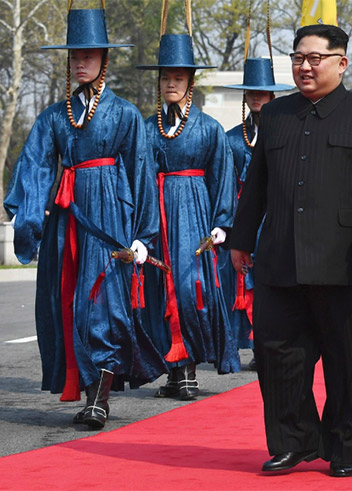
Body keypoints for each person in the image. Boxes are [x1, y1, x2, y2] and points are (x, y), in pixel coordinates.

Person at [227, 24, 352, 478]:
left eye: (315, 58)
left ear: (341, 63)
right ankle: (293, 441)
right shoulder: (276, 114)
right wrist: (241, 238)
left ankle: (343, 447)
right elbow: (256, 183)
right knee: (277, 354)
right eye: (298, 58)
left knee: (346, 360)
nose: (304, 66)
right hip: (280, 255)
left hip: (345, 258)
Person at [4, 8, 166, 429]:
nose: (81, 62)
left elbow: (141, 171)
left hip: (110, 217)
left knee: (104, 305)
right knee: (70, 304)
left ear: (104, 60)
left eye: (89, 55)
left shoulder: (125, 114)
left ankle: (99, 400)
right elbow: (35, 165)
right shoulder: (55, 116)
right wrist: (25, 215)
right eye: (75, 55)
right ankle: (88, 387)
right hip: (67, 220)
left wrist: (143, 235)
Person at [138, 33, 239, 400]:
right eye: (165, 77)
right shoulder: (145, 128)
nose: (171, 84)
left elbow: (222, 177)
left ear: (190, 82)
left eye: (178, 78)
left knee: (189, 288)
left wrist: (221, 223)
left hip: (193, 215)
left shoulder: (210, 128)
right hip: (155, 216)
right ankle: (173, 370)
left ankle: (189, 367)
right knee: (157, 289)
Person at [222, 58, 295, 370]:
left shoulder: (285, 132)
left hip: (274, 213)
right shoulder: (230, 138)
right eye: (251, 92)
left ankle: (271, 343)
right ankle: (243, 344)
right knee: (240, 280)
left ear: (272, 96)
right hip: (243, 212)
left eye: (262, 93)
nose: (256, 97)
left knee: (269, 279)